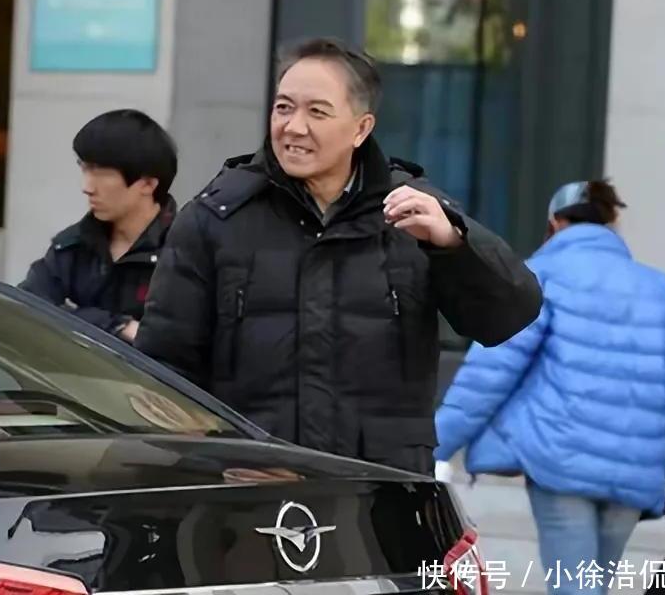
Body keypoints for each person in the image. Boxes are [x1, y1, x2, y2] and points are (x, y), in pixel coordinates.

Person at [135, 38, 541, 474]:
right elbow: (162, 374)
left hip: (380, 490)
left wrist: (454, 245)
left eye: (317, 112)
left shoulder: (414, 214)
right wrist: (215, 462)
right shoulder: (215, 218)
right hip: (251, 487)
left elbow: (508, 317)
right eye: (284, 107)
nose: (293, 127)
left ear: (361, 129)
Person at [434, 180, 665, 594]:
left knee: (575, 586)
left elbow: (488, 375)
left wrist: (434, 447)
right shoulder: (657, 289)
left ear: (555, 223)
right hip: (634, 471)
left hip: (561, 461)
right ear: (611, 224)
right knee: (592, 584)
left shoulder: (542, 276)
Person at [20, 109, 177, 344]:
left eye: (102, 173)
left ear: (147, 184)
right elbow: (27, 307)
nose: (87, 187)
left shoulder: (184, 255)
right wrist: (117, 325)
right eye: (84, 168)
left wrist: (72, 314)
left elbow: (175, 342)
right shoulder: (73, 246)